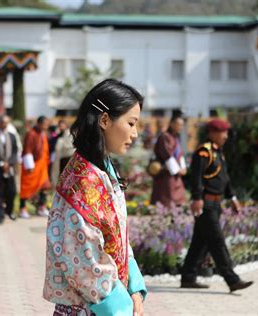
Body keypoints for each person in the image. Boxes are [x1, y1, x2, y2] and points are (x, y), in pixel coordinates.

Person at [43, 79, 147, 315]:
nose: (135, 133)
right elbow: (84, 261)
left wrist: (134, 289)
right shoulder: (83, 180)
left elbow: (120, 237)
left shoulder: (103, 170)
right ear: (104, 120)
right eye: (131, 123)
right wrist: (121, 306)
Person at [181, 118, 253, 292]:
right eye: (223, 132)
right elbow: (195, 177)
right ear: (212, 133)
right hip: (205, 205)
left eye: (227, 132)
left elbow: (224, 179)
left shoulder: (218, 152)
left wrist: (232, 197)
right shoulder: (204, 152)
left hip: (216, 204)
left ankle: (188, 277)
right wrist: (197, 198)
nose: (226, 136)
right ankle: (232, 279)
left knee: (200, 242)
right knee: (217, 241)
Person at [150, 115, 187, 206]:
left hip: (176, 173)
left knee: (178, 200)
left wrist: (183, 167)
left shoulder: (175, 137)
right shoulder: (164, 137)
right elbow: (167, 155)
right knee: (166, 199)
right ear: (172, 124)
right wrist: (178, 170)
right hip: (166, 173)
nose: (181, 127)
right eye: (179, 124)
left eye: (182, 125)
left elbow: (179, 154)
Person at [19, 116, 51, 219]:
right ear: (39, 123)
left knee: (44, 186)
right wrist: (29, 165)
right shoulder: (31, 134)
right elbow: (27, 149)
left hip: (42, 165)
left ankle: (41, 207)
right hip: (32, 165)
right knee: (26, 187)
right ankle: (22, 208)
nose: (46, 126)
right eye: (45, 124)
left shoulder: (43, 134)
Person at [0, 115, 18, 224]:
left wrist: (9, 163)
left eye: (6, 123)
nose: (4, 125)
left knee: (12, 191)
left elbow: (15, 151)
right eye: (2, 122)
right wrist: (1, 163)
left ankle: (9, 211)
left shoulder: (11, 136)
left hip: (9, 168)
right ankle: (0, 216)